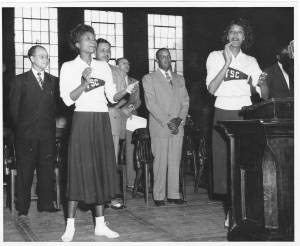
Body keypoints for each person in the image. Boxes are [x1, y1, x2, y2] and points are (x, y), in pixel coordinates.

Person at [60, 24, 136, 242]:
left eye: (93, 38)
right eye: (86, 38)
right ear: (77, 44)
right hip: (82, 119)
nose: (92, 41)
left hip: (101, 119)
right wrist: (84, 83)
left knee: (102, 169)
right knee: (77, 170)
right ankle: (70, 226)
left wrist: (126, 91)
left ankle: (100, 225)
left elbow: (112, 97)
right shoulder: (68, 67)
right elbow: (67, 99)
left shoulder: (103, 66)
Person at [206, 18, 264, 197]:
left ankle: (240, 205)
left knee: (244, 159)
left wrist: (262, 83)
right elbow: (211, 89)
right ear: (227, 35)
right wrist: (226, 63)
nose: (235, 35)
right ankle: (229, 205)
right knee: (223, 160)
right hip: (222, 111)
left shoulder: (251, 60)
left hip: (244, 112)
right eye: (232, 31)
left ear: (245, 37)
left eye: (240, 32)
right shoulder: (215, 56)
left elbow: (264, 94)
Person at [9, 45, 60, 216]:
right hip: (26, 135)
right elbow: (13, 111)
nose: (45, 60)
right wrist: (23, 130)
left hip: (47, 135)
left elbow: (55, 109)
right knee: (25, 171)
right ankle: (22, 206)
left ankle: (45, 204)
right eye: (41, 56)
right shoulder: (20, 80)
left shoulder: (54, 81)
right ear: (31, 58)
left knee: (46, 170)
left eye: (46, 57)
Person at [142, 48, 190, 206]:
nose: (166, 59)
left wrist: (179, 120)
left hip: (177, 126)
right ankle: (159, 195)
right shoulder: (149, 79)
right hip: (160, 125)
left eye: (168, 56)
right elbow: (151, 103)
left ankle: (174, 194)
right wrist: (167, 121)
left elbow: (185, 102)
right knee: (160, 161)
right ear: (157, 61)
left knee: (175, 161)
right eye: (162, 56)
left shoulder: (180, 79)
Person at [96, 39, 138, 209]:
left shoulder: (118, 72)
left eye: (108, 50)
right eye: (102, 50)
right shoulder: (87, 69)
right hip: (91, 119)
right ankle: (94, 195)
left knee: (111, 159)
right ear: (95, 52)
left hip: (111, 119)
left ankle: (110, 196)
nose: (106, 53)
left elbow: (125, 96)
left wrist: (112, 108)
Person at [116, 57, 141, 190]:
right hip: (115, 118)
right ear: (117, 66)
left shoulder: (134, 82)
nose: (127, 65)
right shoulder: (112, 80)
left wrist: (129, 109)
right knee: (115, 150)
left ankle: (131, 182)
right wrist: (121, 110)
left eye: (128, 63)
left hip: (131, 117)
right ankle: (114, 183)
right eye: (124, 63)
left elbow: (137, 102)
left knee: (132, 149)